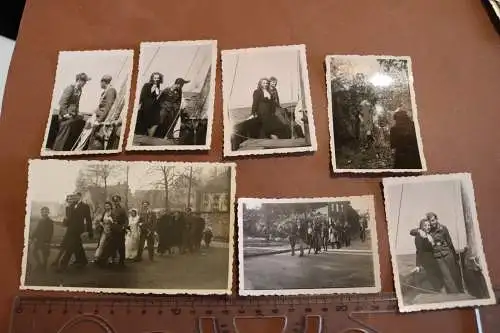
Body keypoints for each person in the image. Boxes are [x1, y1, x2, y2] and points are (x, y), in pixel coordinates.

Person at [50, 73, 90, 151]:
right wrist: (65, 114)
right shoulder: (70, 88)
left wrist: (77, 112)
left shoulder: (79, 90)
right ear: (79, 80)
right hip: (66, 116)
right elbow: (62, 102)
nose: (85, 83)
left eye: (85, 81)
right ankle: (56, 152)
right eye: (84, 81)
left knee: (66, 137)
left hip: (73, 115)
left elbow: (77, 103)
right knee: (62, 137)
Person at [58, 192, 93, 271]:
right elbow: (68, 218)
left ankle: (62, 265)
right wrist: (65, 222)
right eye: (74, 196)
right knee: (78, 246)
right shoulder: (71, 206)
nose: (75, 198)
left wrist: (89, 231)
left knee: (70, 247)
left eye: (77, 196)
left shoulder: (85, 206)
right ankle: (82, 261)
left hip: (78, 230)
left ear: (80, 197)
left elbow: (88, 219)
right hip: (70, 229)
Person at [411, 218, 444, 292]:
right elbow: (419, 251)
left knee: (439, 275)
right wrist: (418, 265)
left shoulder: (428, 235)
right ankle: (438, 292)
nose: (428, 227)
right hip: (426, 261)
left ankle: (439, 290)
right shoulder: (419, 237)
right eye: (425, 225)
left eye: (429, 225)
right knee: (434, 279)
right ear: (422, 227)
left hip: (433, 259)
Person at [86, 75, 118, 150]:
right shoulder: (105, 91)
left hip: (102, 121)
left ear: (104, 82)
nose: (100, 84)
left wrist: (99, 120)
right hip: (98, 118)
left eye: (101, 82)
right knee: (93, 139)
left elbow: (108, 107)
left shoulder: (111, 91)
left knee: (97, 141)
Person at [30, 207, 54, 271]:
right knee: (34, 252)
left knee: (45, 255)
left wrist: (47, 242)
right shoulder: (40, 221)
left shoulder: (50, 222)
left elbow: (50, 233)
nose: (44, 213)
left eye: (46, 211)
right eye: (43, 211)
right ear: (41, 213)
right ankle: (39, 264)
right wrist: (32, 237)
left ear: (48, 213)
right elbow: (37, 230)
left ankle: (44, 267)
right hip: (39, 240)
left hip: (45, 241)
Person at [94, 201, 114, 266]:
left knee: (110, 245)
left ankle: (110, 259)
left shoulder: (113, 213)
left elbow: (115, 222)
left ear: (111, 206)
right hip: (104, 230)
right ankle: (97, 257)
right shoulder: (104, 213)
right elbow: (101, 221)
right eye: (105, 206)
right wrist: (102, 224)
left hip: (111, 230)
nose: (107, 207)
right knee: (101, 243)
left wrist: (111, 222)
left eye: (108, 206)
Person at [111, 195, 128, 266]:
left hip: (120, 229)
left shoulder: (123, 209)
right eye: (114, 201)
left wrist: (124, 227)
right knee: (113, 245)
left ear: (119, 201)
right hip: (113, 229)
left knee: (121, 245)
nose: (115, 202)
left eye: (117, 201)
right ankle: (113, 259)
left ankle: (122, 260)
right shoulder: (112, 209)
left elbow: (126, 219)